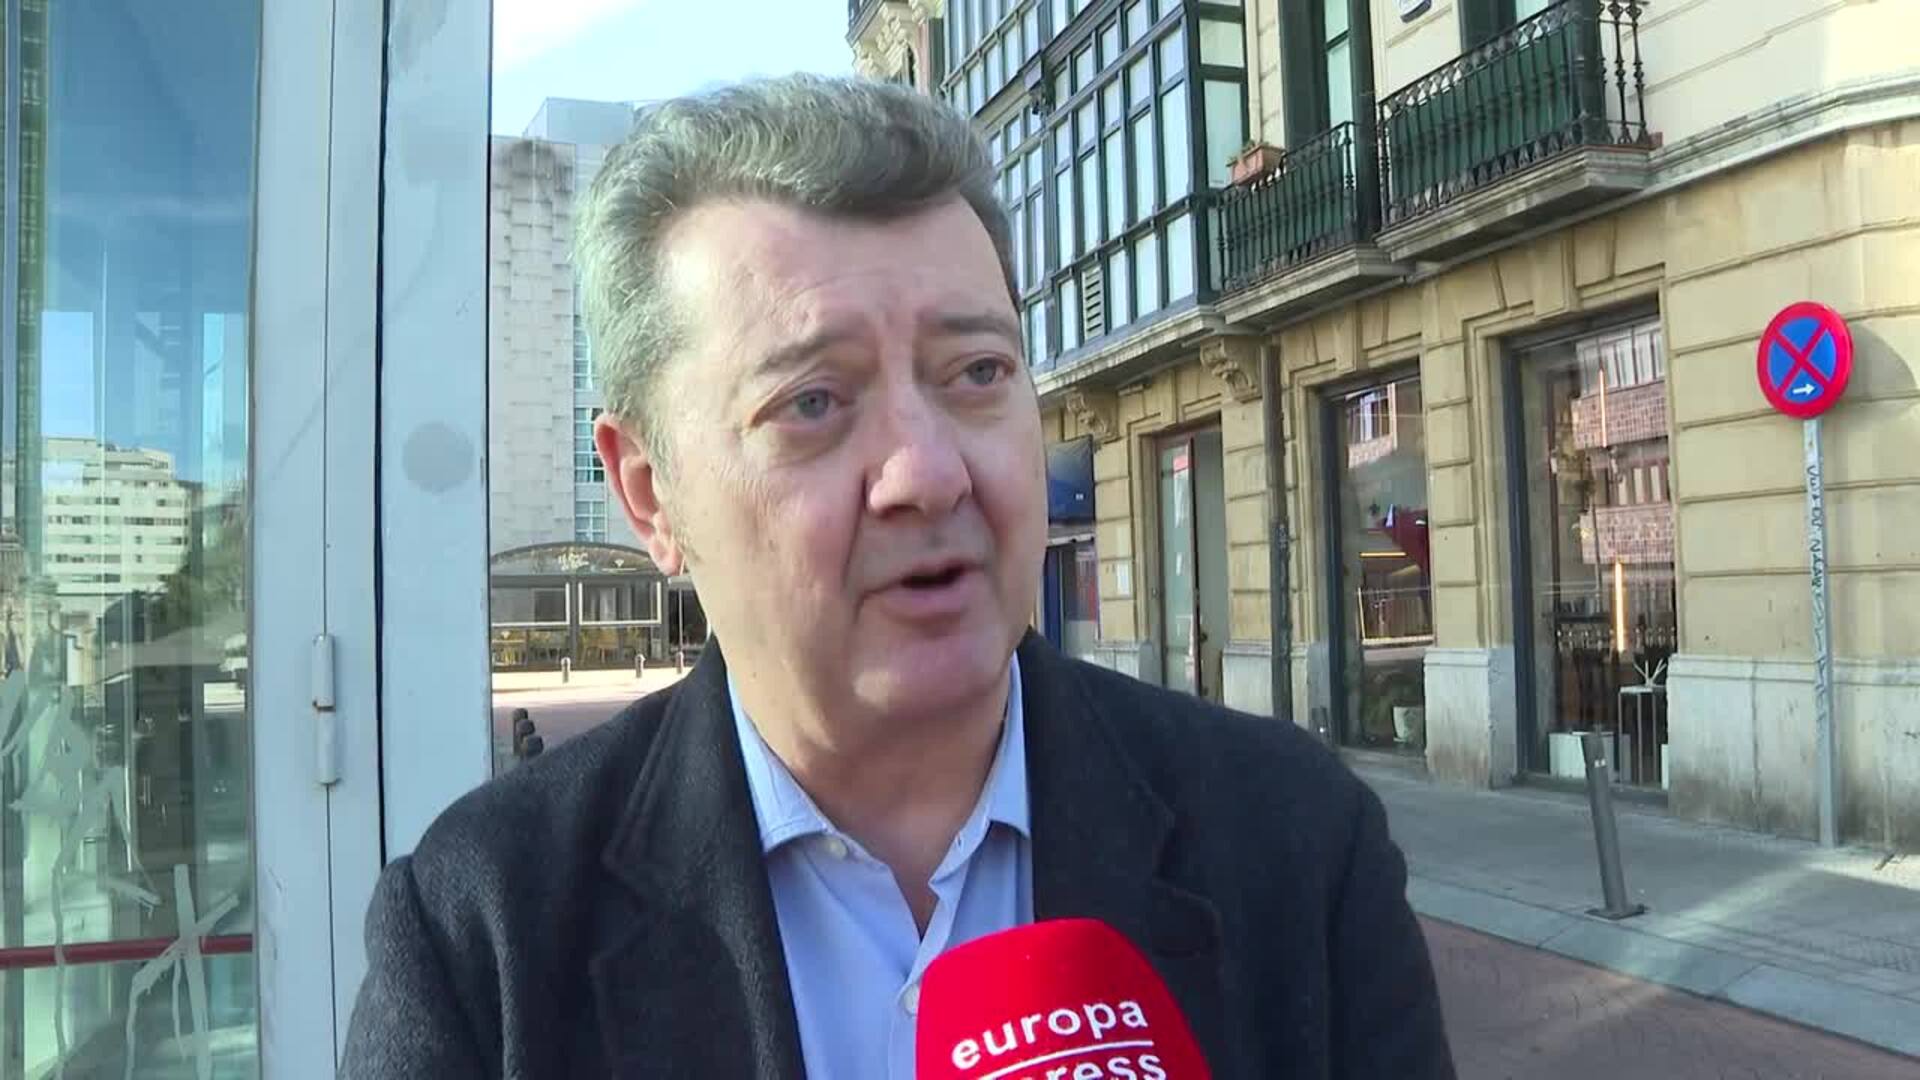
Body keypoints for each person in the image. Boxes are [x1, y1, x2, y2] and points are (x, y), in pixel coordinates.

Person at [340, 75, 1454, 1079]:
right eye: (813, 402)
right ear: (649, 493)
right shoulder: (482, 934)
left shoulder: (1299, 844)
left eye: (976, 372)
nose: (927, 472)